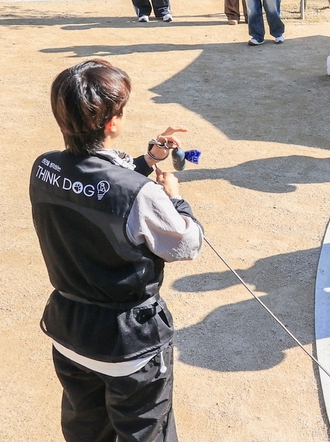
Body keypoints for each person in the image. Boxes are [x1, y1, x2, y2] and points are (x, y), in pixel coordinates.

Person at [31, 59, 204, 442]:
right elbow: (186, 244)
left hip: (70, 332)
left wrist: (147, 160)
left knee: (86, 431)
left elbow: (96, 181)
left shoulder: (44, 167)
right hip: (128, 346)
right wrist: (176, 199)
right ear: (112, 123)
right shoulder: (140, 193)